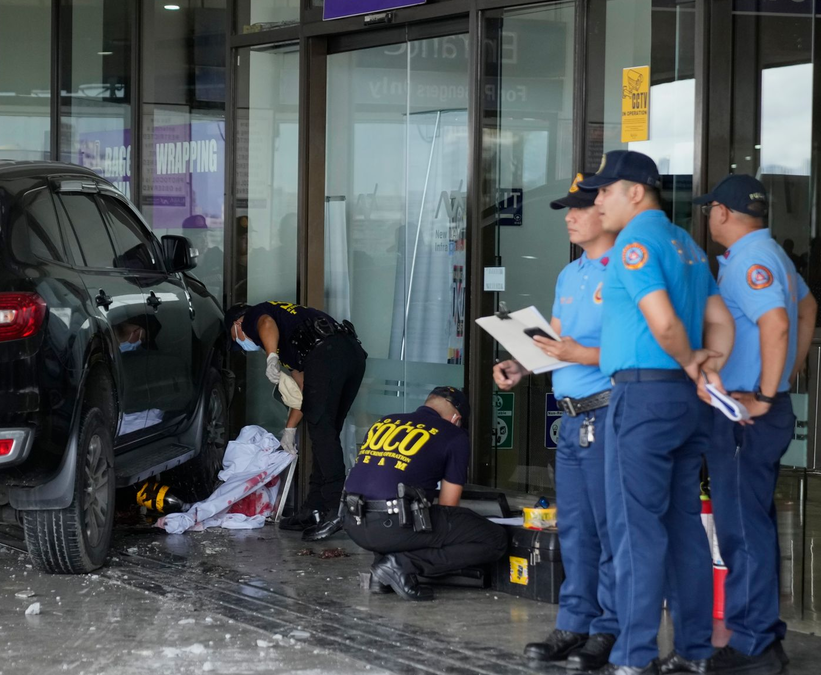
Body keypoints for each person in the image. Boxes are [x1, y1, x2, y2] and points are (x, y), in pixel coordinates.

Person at [578, 150, 734, 675]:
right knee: (685, 526)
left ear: (636, 192)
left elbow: (663, 321)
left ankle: (633, 657)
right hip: (685, 401)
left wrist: (691, 357)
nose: (597, 200)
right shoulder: (686, 244)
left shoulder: (635, 243)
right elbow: (719, 319)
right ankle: (693, 651)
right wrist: (709, 367)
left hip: (643, 398)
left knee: (635, 532)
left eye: (604, 191)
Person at [691, 175, 815, 674]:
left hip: (747, 416)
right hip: (755, 410)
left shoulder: (749, 261)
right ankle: (763, 636)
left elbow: (779, 323)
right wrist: (788, 371)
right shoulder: (773, 257)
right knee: (752, 524)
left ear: (722, 211)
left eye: (710, 210)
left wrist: (766, 393)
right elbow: (806, 308)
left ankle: (753, 644)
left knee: (743, 529)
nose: (708, 218)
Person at [497, 173, 619, 672]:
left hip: (610, 412)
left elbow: (641, 348)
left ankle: (609, 629)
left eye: (579, 208)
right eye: (566, 209)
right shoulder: (571, 276)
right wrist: (522, 364)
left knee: (612, 529)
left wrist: (578, 353)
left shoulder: (625, 271)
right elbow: (557, 344)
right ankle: (574, 622)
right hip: (571, 420)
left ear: (605, 211)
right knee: (577, 529)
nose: (569, 217)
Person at [340, 386, 506, 602]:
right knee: (495, 539)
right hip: (393, 526)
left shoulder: (385, 422)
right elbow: (448, 505)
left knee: (415, 517)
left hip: (353, 522)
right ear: (457, 418)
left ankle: (382, 572)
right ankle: (402, 565)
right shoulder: (454, 435)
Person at [224, 301, 366, 539]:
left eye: (235, 337)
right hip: (350, 356)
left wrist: (271, 357)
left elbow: (265, 323)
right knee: (325, 434)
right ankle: (315, 507)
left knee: (322, 433)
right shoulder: (291, 339)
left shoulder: (255, 315)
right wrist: (289, 429)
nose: (242, 343)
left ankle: (336, 508)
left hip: (329, 354)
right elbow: (302, 389)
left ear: (238, 323)